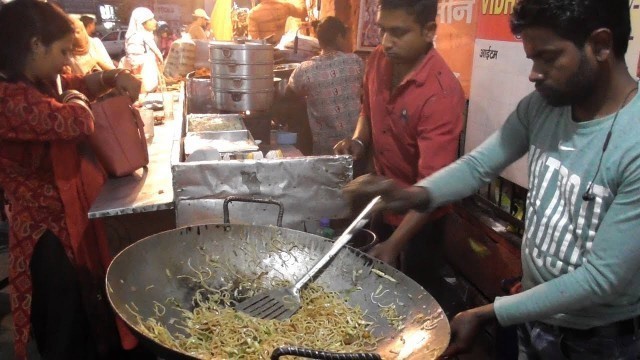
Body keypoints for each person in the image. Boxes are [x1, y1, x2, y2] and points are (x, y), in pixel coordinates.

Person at [344, 0, 640, 358]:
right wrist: (412, 195)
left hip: (600, 339)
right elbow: (477, 166)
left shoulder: (633, 139)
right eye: (532, 58)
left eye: (547, 58)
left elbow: (601, 279)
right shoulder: (544, 107)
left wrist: (490, 312)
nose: (534, 73)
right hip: (534, 315)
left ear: (601, 45)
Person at [0, 1, 144, 359]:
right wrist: (78, 97)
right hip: (43, 230)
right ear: (35, 44)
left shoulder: (36, 79)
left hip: (70, 212)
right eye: (63, 51)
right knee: (64, 318)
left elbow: (75, 82)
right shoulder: (7, 98)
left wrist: (109, 78)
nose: (67, 61)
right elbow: (75, 121)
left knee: (87, 304)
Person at [333, 0, 465, 281]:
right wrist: (357, 142)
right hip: (382, 201)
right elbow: (366, 111)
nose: (386, 41)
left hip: (421, 217)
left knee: (415, 292)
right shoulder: (379, 59)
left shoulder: (440, 93)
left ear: (429, 30)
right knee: (374, 285)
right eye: (382, 30)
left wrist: (394, 244)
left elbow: (432, 186)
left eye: (398, 32)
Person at [285, 17, 364, 155]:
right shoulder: (355, 61)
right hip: (356, 144)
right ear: (339, 37)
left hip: (326, 150)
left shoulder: (305, 69)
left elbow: (288, 95)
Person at [121, 7, 163, 93]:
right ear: (142, 23)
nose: (155, 21)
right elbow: (136, 70)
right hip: (142, 94)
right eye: (151, 19)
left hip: (151, 90)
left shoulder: (147, 38)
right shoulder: (135, 39)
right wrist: (142, 95)